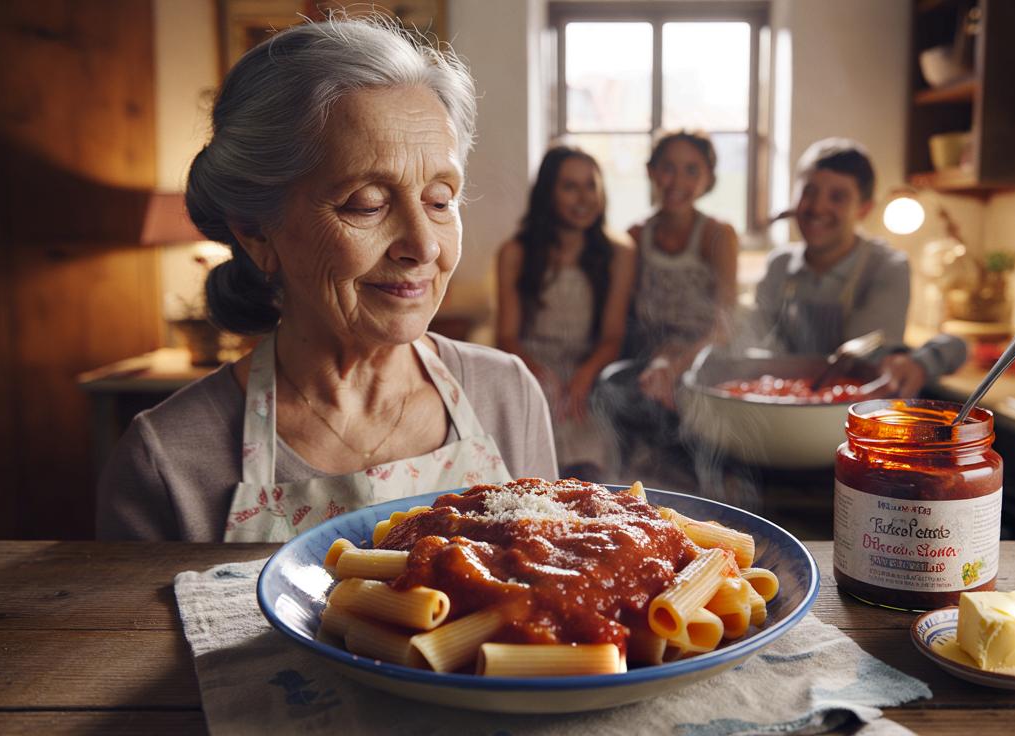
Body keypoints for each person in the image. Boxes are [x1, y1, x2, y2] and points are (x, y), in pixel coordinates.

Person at [97, 17, 557, 542]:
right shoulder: (169, 460)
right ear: (257, 233)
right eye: (367, 205)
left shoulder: (508, 395)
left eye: (439, 201)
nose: (424, 245)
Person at [754, 138, 965, 395]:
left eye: (838, 197)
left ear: (864, 209)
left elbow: (864, 357)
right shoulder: (779, 264)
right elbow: (758, 347)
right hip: (781, 405)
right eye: (809, 191)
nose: (818, 206)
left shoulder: (886, 267)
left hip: (851, 413)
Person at [592, 130, 740, 473]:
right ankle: (626, 479)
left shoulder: (718, 235)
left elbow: (724, 327)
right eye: (668, 168)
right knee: (611, 389)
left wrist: (675, 367)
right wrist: (658, 363)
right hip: (650, 356)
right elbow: (625, 319)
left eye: (692, 170)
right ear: (652, 172)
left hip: (706, 357)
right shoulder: (635, 236)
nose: (678, 180)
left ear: (708, 178)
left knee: (689, 402)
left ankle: (702, 480)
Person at [495, 146, 635, 480]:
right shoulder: (515, 252)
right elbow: (507, 337)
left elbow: (613, 336)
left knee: (589, 459)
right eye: (570, 187)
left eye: (591, 185)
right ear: (548, 193)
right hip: (530, 366)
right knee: (531, 461)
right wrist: (540, 374)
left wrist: (584, 376)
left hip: (589, 366)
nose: (583, 198)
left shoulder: (620, 252)